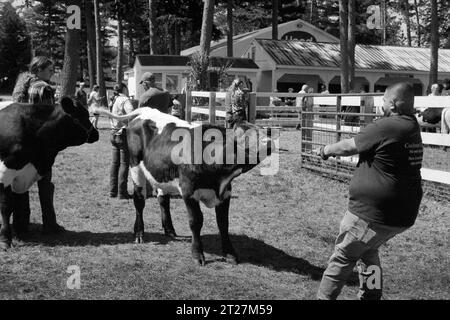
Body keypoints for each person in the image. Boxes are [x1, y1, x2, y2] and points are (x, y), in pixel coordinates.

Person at [314, 82, 423, 300]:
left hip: (371, 214)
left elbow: (349, 146)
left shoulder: (388, 125)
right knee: (368, 251)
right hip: (399, 215)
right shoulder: (411, 126)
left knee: (343, 256)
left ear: (392, 103)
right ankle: (371, 296)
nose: (381, 103)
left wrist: (325, 150)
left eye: (383, 99)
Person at [11, 56, 64, 235]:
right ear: (38, 70)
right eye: (50, 70)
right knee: (45, 185)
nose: (52, 73)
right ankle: (49, 224)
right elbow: (46, 120)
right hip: (40, 145)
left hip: (20, 143)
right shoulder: (43, 88)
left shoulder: (21, 86)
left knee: (20, 186)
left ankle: (21, 225)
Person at [109, 84, 134, 199]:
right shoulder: (125, 99)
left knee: (115, 164)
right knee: (124, 164)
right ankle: (122, 193)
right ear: (124, 89)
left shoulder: (113, 99)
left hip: (113, 133)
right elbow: (131, 114)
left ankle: (113, 192)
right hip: (122, 134)